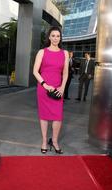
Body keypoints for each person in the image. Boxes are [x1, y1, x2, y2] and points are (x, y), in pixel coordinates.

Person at [33, 26, 69, 154]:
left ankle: (54, 141)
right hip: (44, 89)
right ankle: (44, 141)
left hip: (58, 89)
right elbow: (35, 71)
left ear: (60, 38)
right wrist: (45, 84)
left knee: (58, 117)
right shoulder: (42, 52)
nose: (55, 38)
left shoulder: (64, 53)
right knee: (44, 116)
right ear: (49, 37)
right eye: (53, 35)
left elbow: (65, 73)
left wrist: (62, 87)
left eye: (58, 36)